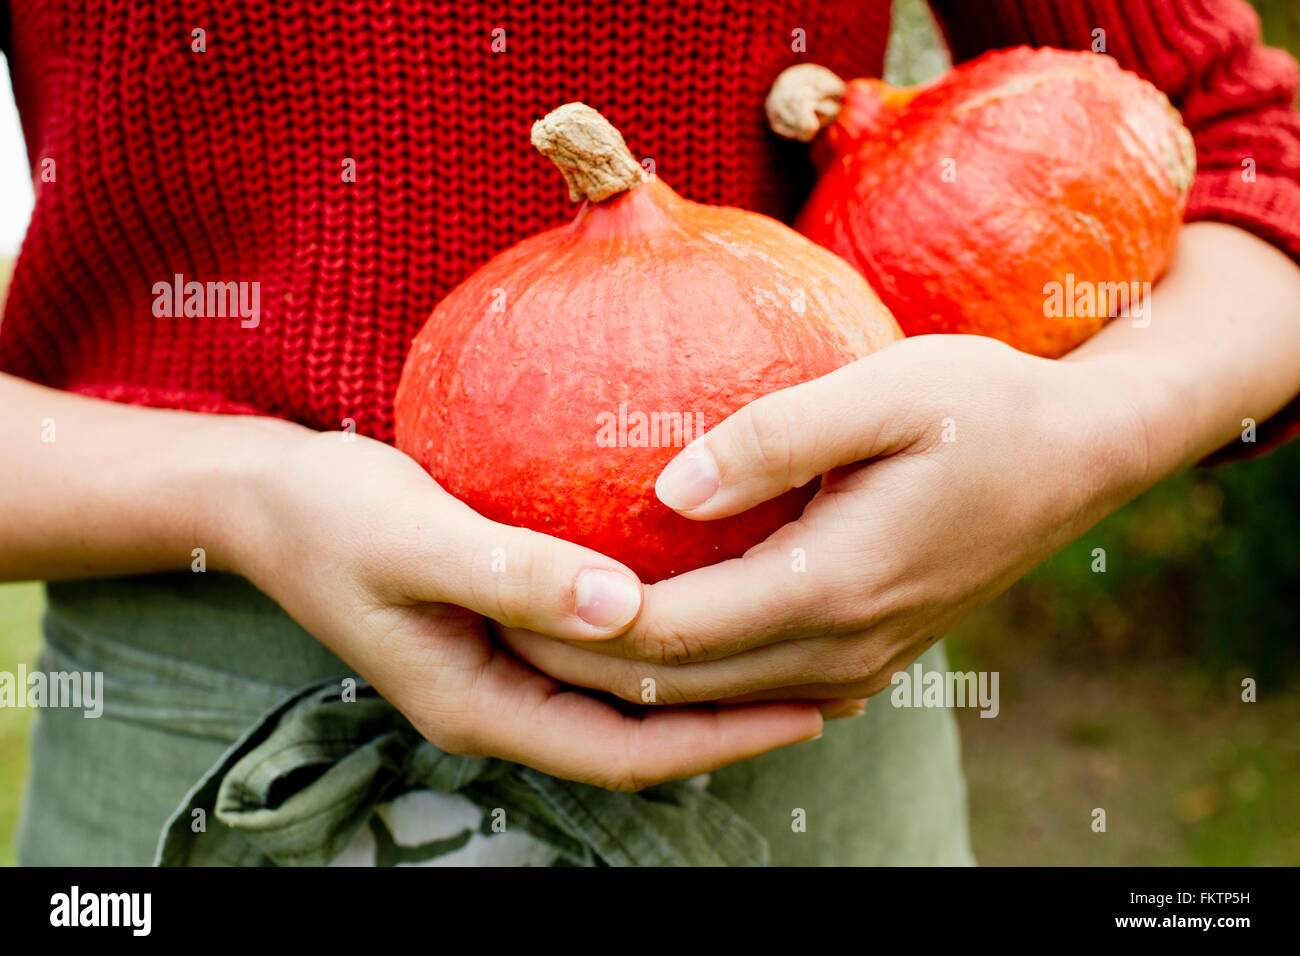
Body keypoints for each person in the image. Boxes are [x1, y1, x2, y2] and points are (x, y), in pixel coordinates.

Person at [1, 0, 1297, 866]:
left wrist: (1078, 434)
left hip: (809, 713)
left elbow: (1254, 153)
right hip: (192, 738)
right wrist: (246, 497)